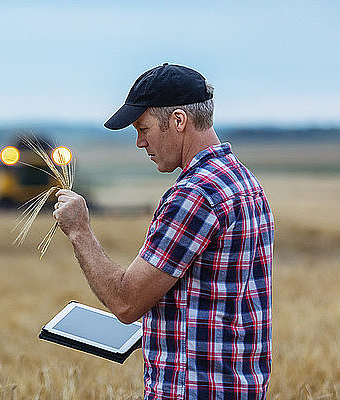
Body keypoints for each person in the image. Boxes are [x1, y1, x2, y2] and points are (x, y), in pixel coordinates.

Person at [52, 63, 274, 399]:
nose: (140, 142)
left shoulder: (193, 195)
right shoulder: (243, 181)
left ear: (179, 121)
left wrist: (80, 231)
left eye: (144, 128)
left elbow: (126, 302)